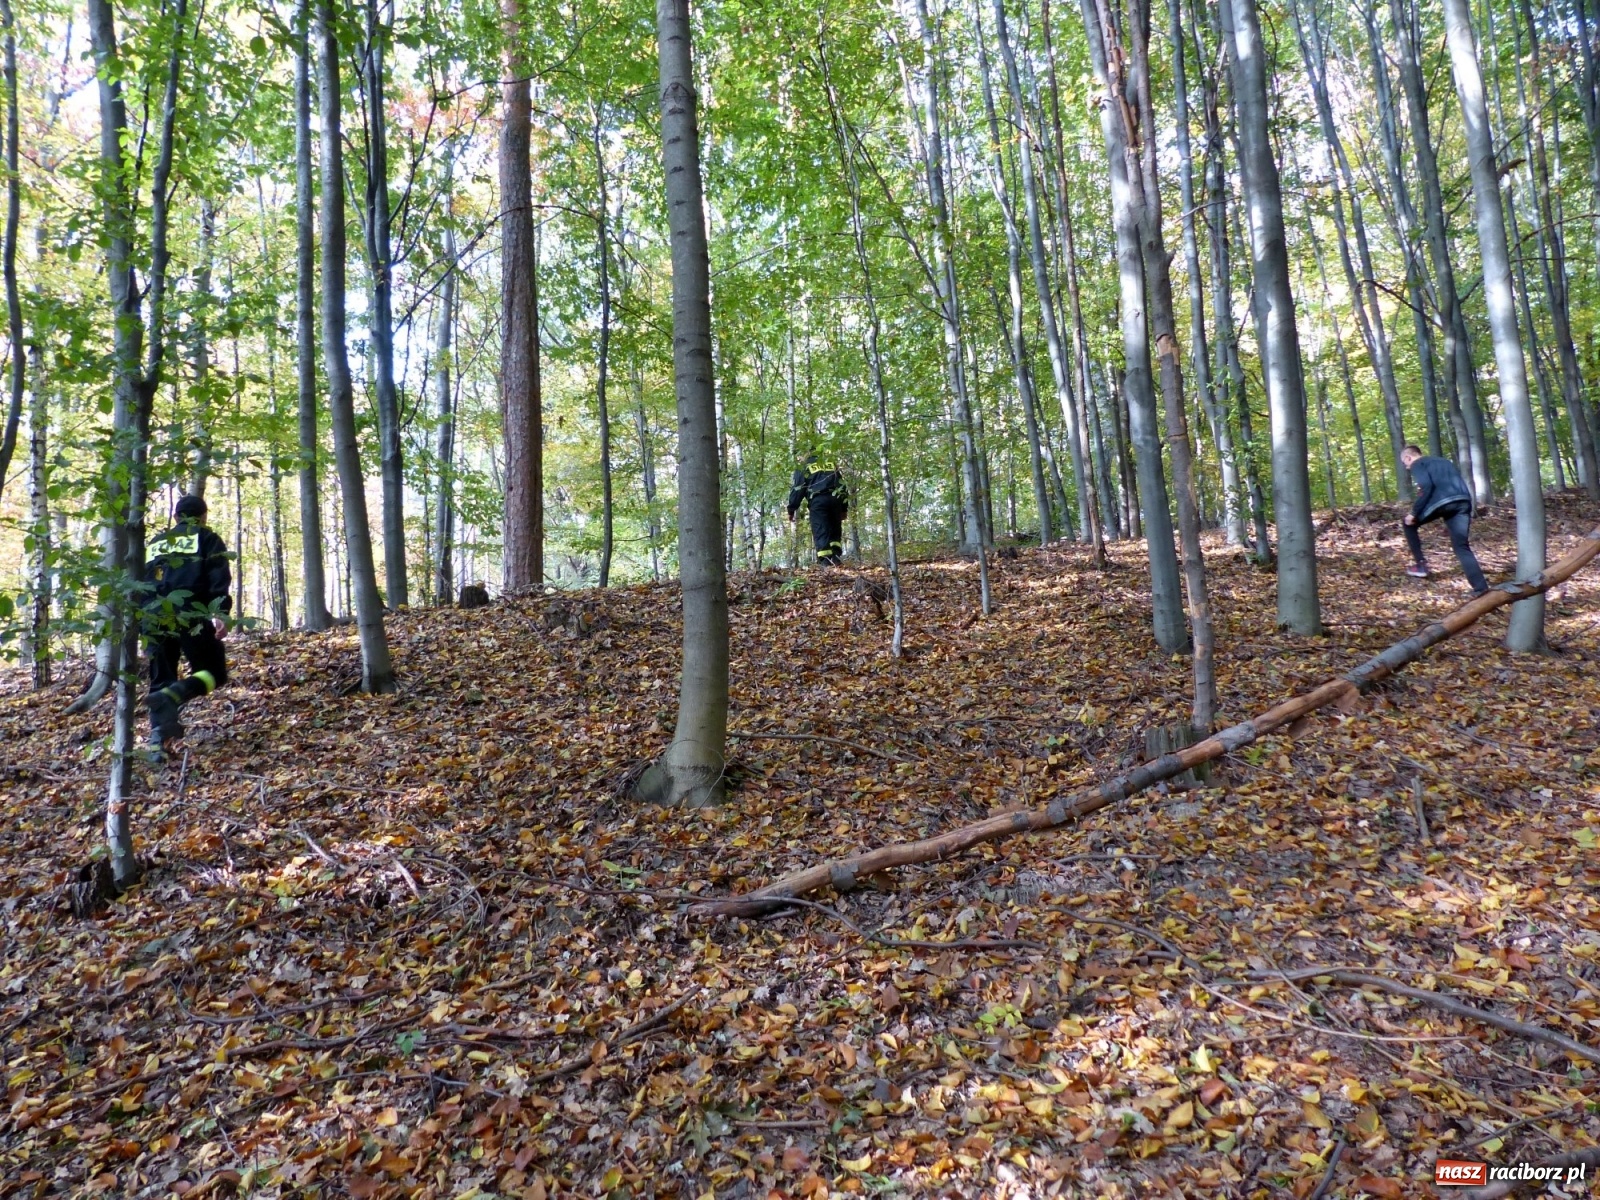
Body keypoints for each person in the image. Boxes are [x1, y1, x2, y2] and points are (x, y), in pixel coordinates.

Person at [143, 494, 232, 749]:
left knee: (160, 680)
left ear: (176, 517)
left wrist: (142, 624)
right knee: (214, 672)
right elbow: (218, 577)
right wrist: (220, 613)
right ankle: (179, 692)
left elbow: (142, 583)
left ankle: (158, 745)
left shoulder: (156, 543)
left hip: (153, 616)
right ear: (203, 516)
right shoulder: (207, 538)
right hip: (191, 614)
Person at [1399, 444, 1489, 594]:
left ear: (1409, 457)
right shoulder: (1443, 461)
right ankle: (1481, 588)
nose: (1407, 467)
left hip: (1443, 502)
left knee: (1408, 524)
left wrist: (1414, 513)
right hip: (1463, 501)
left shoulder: (1417, 464)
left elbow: (1426, 487)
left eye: (1405, 463)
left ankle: (1421, 565)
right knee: (1461, 546)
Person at [788, 453, 850, 567]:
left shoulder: (804, 466)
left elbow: (798, 488)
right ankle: (836, 559)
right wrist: (844, 508)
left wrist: (791, 509)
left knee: (821, 530)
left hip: (818, 501)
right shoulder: (829, 462)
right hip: (835, 499)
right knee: (834, 531)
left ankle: (826, 563)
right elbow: (842, 486)